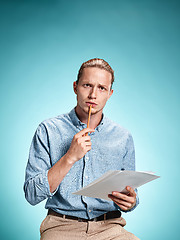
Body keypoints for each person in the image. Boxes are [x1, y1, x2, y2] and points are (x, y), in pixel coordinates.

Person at [24, 58, 140, 240]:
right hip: (61, 227)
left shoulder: (123, 137)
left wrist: (131, 201)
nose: (93, 94)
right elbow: (32, 195)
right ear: (75, 87)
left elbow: (130, 192)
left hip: (109, 228)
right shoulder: (48, 130)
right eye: (87, 85)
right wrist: (69, 157)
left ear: (110, 93)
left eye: (101, 88)